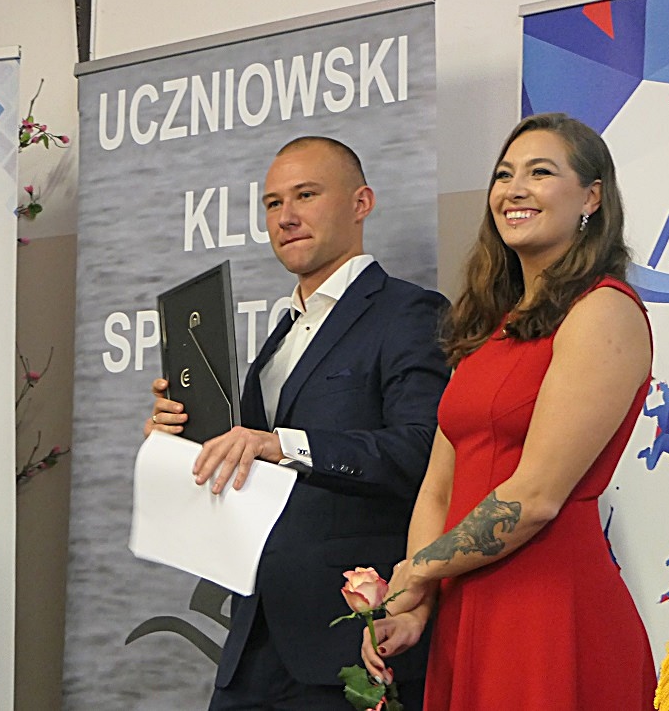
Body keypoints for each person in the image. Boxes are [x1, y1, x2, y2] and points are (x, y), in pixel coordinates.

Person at [360, 113, 657, 708]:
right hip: (467, 606)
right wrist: (416, 605)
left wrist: (418, 571)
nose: (514, 190)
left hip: (549, 611)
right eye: (503, 175)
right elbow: (438, 487)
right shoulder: (487, 329)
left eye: (540, 173)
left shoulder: (604, 311)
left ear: (591, 197)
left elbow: (536, 496)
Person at [147, 136, 449, 709]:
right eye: (272, 203)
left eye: (306, 195)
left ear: (361, 203)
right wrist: (180, 443)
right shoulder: (281, 335)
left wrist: (282, 445)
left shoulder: (409, 312)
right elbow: (249, 466)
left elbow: (421, 451)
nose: (285, 216)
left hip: (354, 640)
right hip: (254, 637)